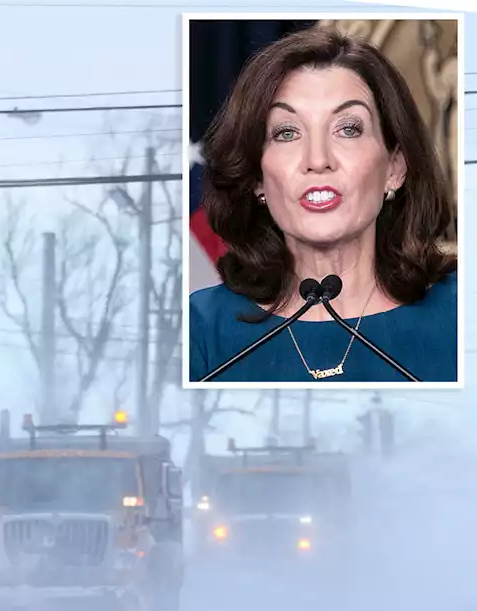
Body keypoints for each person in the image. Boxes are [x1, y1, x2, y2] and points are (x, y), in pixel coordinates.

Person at [189, 26, 458, 383]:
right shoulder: (199, 330)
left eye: (348, 129)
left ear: (395, 167)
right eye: (287, 132)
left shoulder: (462, 313)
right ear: (257, 178)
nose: (317, 159)